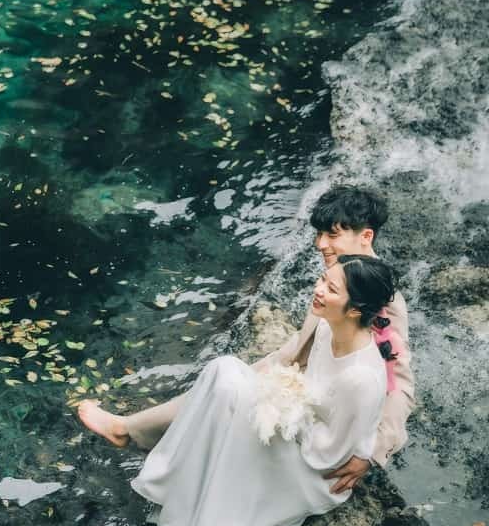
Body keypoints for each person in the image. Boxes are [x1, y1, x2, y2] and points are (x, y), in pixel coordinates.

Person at [78, 185, 414, 491]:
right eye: (319, 233)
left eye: (331, 234)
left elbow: (397, 381)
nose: (320, 243)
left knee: (223, 391)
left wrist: (371, 454)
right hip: (295, 365)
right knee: (217, 383)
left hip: (317, 397)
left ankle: (128, 432)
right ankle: (131, 430)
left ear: (365, 236)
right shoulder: (342, 270)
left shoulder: (380, 299)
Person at [127, 255, 396, 526]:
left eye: (331, 289)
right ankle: (175, 484)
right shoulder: (326, 327)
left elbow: (329, 456)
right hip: (296, 429)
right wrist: (281, 397)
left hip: (313, 472)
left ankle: (209, 520)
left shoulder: (361, 378)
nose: (318, 289)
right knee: (224, 373)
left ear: (356, 311)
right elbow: (301, 376)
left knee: (241, 409)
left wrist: (284, 406)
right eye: (323, 279)